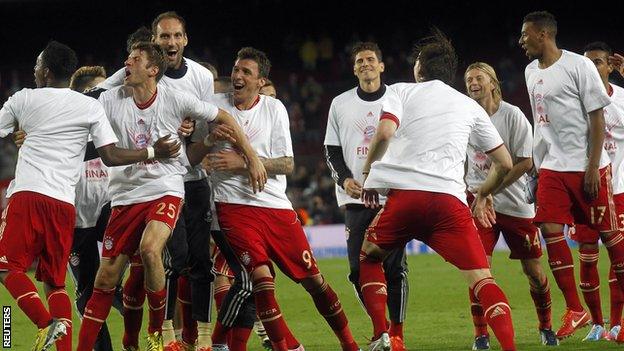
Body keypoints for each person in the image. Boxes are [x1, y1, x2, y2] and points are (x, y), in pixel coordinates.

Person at [75, 41, 266, 351]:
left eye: (134, 59)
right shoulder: (110, 100)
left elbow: (225, 118)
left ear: (153, 70)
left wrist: (252, 157)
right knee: (105, 279)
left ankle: (160, 335)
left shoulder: (176, 100)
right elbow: (79, 114)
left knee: (151, 251)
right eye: (128, 57)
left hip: (166, 187)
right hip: (124, 195)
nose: (127, 62)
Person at [0, 40, 179, 351]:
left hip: (30, 195)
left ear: (44, 72)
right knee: (55, 284)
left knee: (5, 266)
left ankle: (45, 323)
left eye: (36, 66)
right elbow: (109, 154)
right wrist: (152, 150)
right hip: (66, 206)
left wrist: (23, 130)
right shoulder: (90, 106)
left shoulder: (24, 99)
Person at [188, 47, 360, 351]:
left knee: (314, 282)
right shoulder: (212, 106)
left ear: (260, 81)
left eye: (246, 73)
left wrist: (243, 163)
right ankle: (284, 346)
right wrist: (203, 141)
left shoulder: (273, 108)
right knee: (259, 279)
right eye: (236, 70)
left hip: (275, 208)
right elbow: (192, 154)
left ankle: (349, 344)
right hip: (231, 208)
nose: (237, 77)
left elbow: (287, 164)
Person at [358, 29, 517, 351]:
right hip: (449, 202)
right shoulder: (468, 105)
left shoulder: (400, 91)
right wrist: (484, 193)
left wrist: (368, 173)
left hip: (406, 199)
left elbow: (386, 133)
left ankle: (381, 336)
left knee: (370, 257)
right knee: (482, 279)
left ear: (420, 69)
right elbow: (505, 162)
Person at [98, 12, 219, 351]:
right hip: (125, 193)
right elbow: (91, 104)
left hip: (176, 182)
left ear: (184, 39)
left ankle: (183, 338)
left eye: (176, 36)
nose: (171, 42)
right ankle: (153, 337)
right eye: (164, 37)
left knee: (182, 262)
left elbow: (206, 124)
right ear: (155, 42)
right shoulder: (117, 91)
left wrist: (195, 134)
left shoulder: (199, 77)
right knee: (143, 270)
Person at [518, 11, 624, 339]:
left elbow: (597, 119)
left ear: (543, 35)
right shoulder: (530, 70)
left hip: (588, 168)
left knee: (610, 240)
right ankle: (576, 310)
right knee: (549, 228)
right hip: (552, 167)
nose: (521, 40)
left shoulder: (579, 66)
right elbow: (540, 121)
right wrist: (536, 165)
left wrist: (593, 166)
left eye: (525, 34)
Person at [464, 62, 556, 348]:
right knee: (478, 270)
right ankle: (481, 334)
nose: (472, 83)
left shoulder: (512, 115)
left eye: (478, 77)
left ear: (493, 83)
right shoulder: (463, 116)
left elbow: (526, 162)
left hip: (516, 206)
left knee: (535, 273)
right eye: (468, 79)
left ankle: (546, 326)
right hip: (477, 203)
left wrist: (491, 189)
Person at [324, 41, 409, 351]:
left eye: (371, 59)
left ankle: (394, 334)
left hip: (391, 197)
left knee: (395, 268)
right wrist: (345, 179)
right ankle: (382, 331)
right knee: (357, 271)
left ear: (382, 66)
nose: (365, 64)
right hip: (357, 199)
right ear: (354, 68)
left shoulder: (399, 99)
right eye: (359, 60)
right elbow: (331, 150)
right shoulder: (340, 103)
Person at [566, 41, 624, 342]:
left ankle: (616, 324)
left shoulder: (622, 99)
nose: (592, 68)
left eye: (598, 62)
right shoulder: (573, 100)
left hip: (619, 190)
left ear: (610, 66)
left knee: (619, 259)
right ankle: (597, 324)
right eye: (587, 63)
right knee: (587, 257)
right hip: (586, 190)